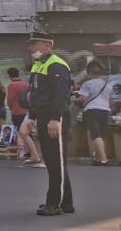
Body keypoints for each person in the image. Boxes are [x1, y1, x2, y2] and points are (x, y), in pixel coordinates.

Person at [26, 32, 73, 216]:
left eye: (34, 44)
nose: (31, 48)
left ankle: (55, 203)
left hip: (55, 116)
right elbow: (34, 94)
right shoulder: (40, 64)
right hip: (44, 115)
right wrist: (31, 116)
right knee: (54, 161)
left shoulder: (56, 65)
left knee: (56, 161)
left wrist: (55, 118)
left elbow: (61, 94)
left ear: (46, 45)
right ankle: (66, 202)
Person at [74, 61, 110, 166]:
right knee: (101, 135)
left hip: (92, 110)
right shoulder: (107, 84)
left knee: (95, 134)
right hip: (105, 110)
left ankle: (103, 159)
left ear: (89, 73)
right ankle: (98, 158)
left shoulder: (87, 84)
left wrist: (75, 100)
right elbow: (110, 100)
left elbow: (83, 98)